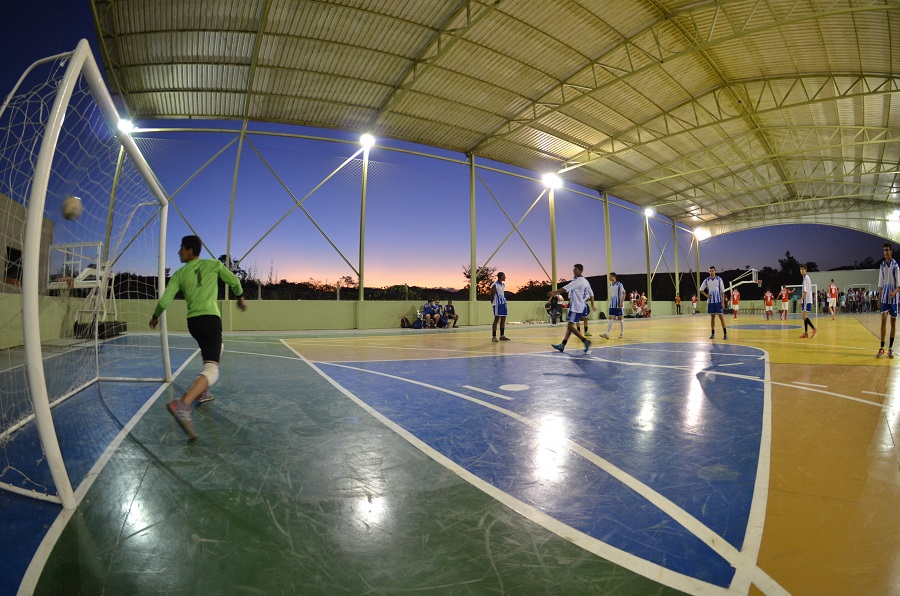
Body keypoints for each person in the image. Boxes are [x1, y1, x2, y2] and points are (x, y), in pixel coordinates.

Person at [149, 235, 247, 439]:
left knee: (217, 349)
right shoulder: (213, 264)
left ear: (190, 251)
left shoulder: (179, 274)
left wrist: (155, 316)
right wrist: (240, 296)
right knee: (212, 370)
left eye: (181, 249)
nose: (179, 252)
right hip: (211, 320)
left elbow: (165, 299)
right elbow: (235, 281)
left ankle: (203, 393)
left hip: (194, 323)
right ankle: (183, 404)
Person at [548, 264, 592, 354]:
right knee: (570, 326)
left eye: (575, 269)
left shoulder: (578, 281)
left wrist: (554, 293)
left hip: (576, 306)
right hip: (580, 306)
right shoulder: (585, 281)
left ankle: (585, 341)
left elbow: (565, 288)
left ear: (580, 270)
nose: (573, 271)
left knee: (570, 326)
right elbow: (591, 294)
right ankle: (563, 345)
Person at [878, 243, 900, 358]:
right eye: (884, 250)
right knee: (883, 320)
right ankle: (881, 347)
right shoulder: (882, 266)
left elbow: (898, 286)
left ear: (891, 251)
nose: (885, 252)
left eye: (887, 250)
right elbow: (881, 284)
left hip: (894, 299)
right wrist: (879, 298)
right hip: (885, 298)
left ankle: (890, 348)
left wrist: (894, 292)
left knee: (893, 323)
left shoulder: (896, 266)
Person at [700, 265, 727, 340]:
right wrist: (706, 295)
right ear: (709, 272)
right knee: (712, 318)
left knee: (721, 317)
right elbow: (701, 289)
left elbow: (723, 291)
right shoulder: (706, 280)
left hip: (718, 301)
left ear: (715, 271)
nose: (711, 272)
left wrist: (722, 302)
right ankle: (712, 334)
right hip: (711, 302)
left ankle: (725, 334)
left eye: (712, 270)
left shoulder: (719, 279)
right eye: (710, 271)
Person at [601, 272, 625, 339]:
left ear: (614, 277)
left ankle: (622, 333)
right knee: (610, 317)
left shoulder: (620, 285)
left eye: (610, 276)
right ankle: (607, 333)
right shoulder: (610, 285)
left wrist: (621, 302)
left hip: (618, 304)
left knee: (620, 318)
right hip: (612, 304)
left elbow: (624, 294)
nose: (609, 278)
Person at [799, 265, 817, 338]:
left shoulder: (806, 278)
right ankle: (806, 333)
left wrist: (801, 300)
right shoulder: (804, 278)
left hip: (806, 300)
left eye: (803, 269)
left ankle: (813, 328)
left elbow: (805, 291)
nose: (801, 271)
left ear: (806, 270)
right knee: (804, 317)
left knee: (804, 316)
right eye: (800, 269)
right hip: (806, 300)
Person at [491, 272, 509, 342]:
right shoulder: (495, 285)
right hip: (497, 304)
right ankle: (494, 336)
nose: (505, 277)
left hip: (503, 303)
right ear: (501, 276)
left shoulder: (503, 285)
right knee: (496, 319)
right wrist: (492, 303)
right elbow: (492, 294)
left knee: (503, 319)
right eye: (504, 276)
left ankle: (502, 335)